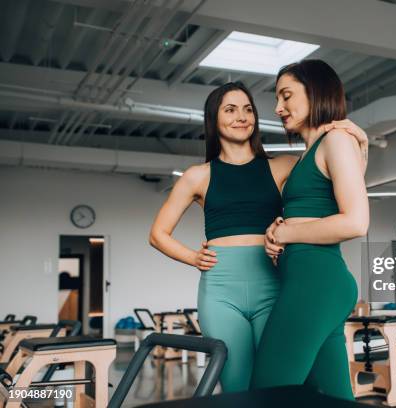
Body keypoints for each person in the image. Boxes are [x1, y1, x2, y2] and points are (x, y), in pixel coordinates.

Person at [149, 81, 368, 392]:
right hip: (221, 291)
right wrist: (192, 257)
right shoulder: (198, 175)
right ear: (214, 119)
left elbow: (339, 188)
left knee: (279, 386)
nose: (242, 116)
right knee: (238, 387)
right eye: (230, 109)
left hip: (273, 283)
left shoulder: (284, 167)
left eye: (248, 109)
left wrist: (357, 145)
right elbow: (158, 234)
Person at [250, 60, 369, 399]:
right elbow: (320, 208)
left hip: (316, 283)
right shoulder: (308, 154)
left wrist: (287, 234)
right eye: (277, 98)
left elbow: (356, 221)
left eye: (286, 96)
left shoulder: (335, 140)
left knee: (267, 394)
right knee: (331, 398)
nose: (278, 107)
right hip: (311, 283)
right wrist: (277, 231)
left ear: (315, 92)